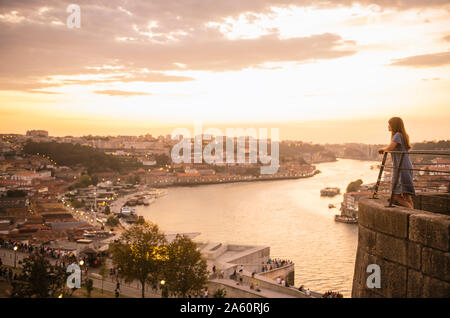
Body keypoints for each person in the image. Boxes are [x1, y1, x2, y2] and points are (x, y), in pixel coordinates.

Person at [378, 117, 415, 208]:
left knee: (397, 195)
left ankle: (412, 212)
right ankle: (413, 212)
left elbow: (390, 148)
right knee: (406, 196)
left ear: (394, 125)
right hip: (404, 166)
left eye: (389, 124)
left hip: (401, 167)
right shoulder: (403, 135)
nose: (388, 126)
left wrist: (382, 149)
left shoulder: (397, 135)